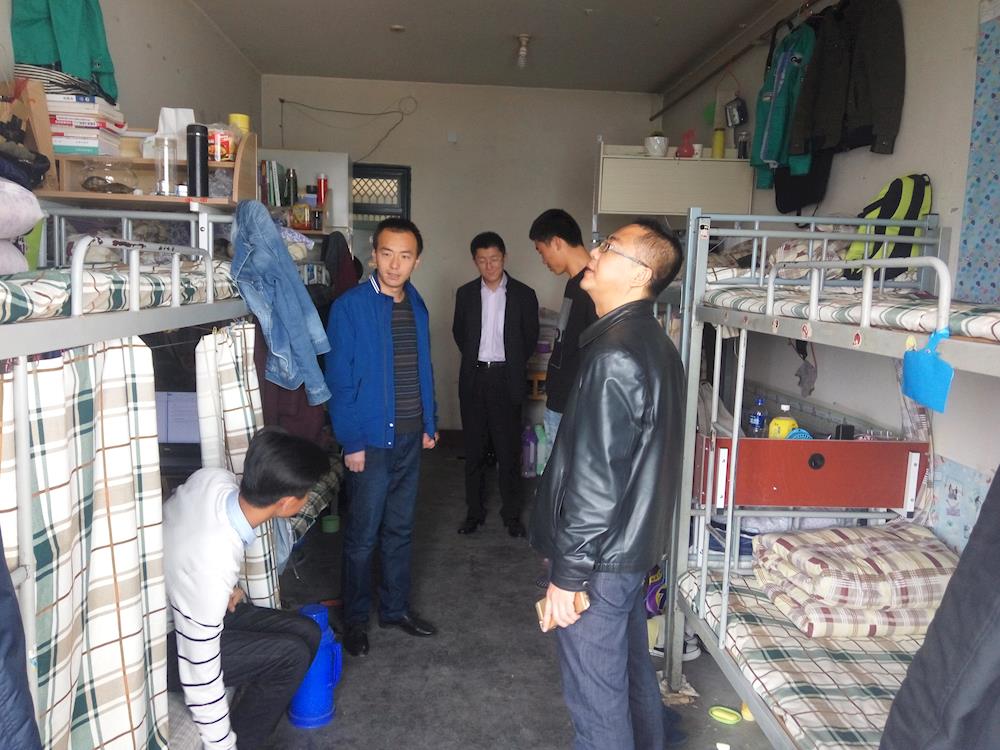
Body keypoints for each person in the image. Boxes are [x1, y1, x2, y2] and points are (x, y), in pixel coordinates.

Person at [529, 219, 687, 750]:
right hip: (626, 552)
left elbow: (597, 480)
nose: (594, 253)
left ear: (640, 274)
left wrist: (568, 576)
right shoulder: (651, 342)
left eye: (609, 246)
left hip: (599, 561)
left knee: (596, 708)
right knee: (632, 677)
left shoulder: (616, 354)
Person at [163, 428, 330, 750]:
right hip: (164, 648)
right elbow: (200, 675)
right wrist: (221, 744)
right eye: (307, 493)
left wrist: (209, 585)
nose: (308, 497)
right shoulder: (212, 564)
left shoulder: (214, 479)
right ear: (286, 503)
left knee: (307, 631)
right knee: (291, 656)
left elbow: (178, 521)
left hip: (187, 603)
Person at [325, 217, 439, 658]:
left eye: (405, 256)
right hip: (370, 441)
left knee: (400, 529)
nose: (395, 264)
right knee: (362, 536)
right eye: (387, 254)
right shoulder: (350, 307)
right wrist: (351, 441)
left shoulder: (417, 304)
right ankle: (355, 620)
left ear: (416, 261)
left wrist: (430, 421)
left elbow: (423, 366)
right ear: (373, 255)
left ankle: (394, 609)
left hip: (410, 435)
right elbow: (339, 379)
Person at [453, 231, 539, 537]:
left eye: (495, 259)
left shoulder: (524, 294)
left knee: (508, 451)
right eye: (482, 260)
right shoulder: (465, 294)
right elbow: (459, 333)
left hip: (507, 379)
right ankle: (474, 513)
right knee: (474, 451)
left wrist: (509, 364)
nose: (489, 266)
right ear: (474, 261)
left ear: (504, 258)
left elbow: (530, 337)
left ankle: (512, 515)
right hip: (475, 378)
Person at [528, 209, 598, 447]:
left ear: (557, 242)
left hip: (575, 409)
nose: (543, 260)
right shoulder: (574, 284)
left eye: (541, 251)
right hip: (560, 403)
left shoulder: (594, 287)